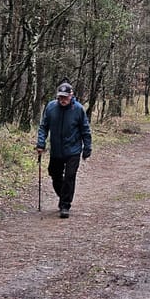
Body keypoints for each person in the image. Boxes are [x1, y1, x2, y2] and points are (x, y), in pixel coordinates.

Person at [36, 82, 92, 219]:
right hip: (56, 149)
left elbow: (85, 130)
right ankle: (64, 196)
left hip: (73, 150)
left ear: (71, 95)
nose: (63, 100)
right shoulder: (51, 107)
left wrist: (87, 148)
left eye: (65, 97)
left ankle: (65, 205)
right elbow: (44, 127)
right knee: (54, 174)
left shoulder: (78, 109)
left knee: (69, 177)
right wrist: (41, 143)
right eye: (60, 97)